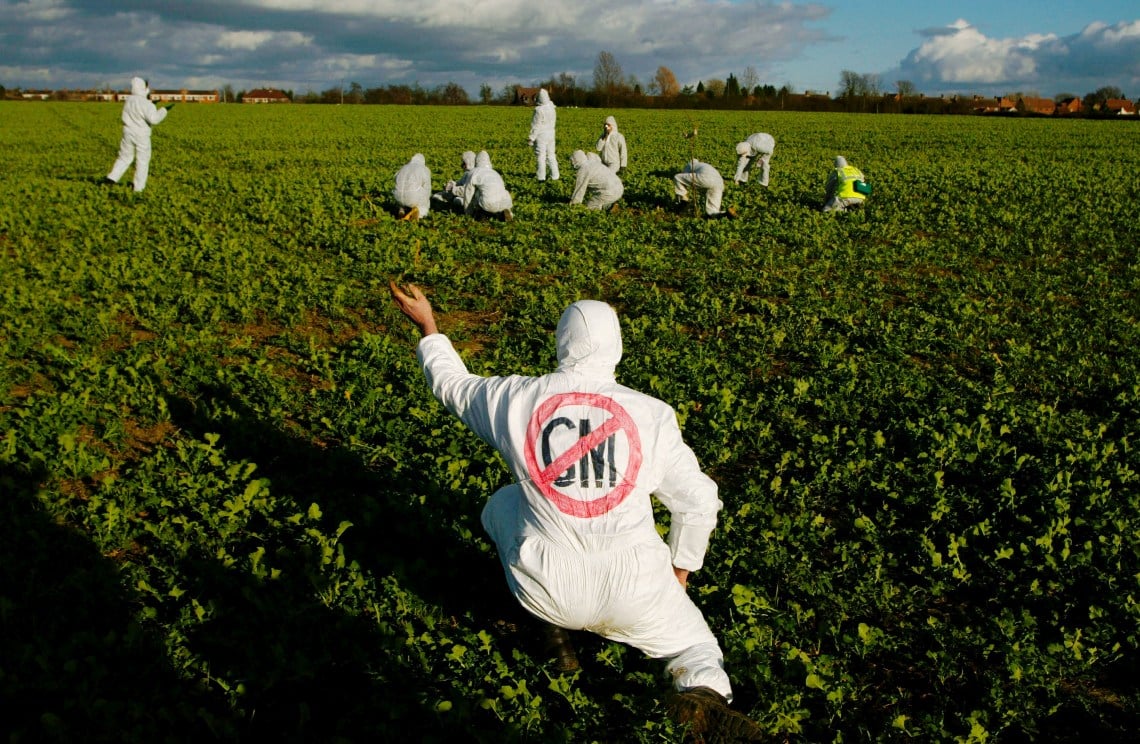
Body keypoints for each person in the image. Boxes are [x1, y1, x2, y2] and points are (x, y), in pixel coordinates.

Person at [388, 283, 764, 741]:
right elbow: (699, 501)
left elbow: (453, 386)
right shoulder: (652, 413)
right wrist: (679, 573)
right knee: (697, 646)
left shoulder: (516, 398)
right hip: (638, 589)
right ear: (618, 346)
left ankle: (553, 633)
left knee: (502, 505)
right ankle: (703, 694)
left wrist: (429, 326)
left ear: (561, 341)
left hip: (548, 582)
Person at [103, 77, 171, 192]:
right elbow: (154, 119)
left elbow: (138, 107)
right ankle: (138, 188)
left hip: (127, 132)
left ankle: (111, 178)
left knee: (125, 157)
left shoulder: (129, 100)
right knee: (142, 160)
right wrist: (164, 110)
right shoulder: (146, 104)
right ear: (144, 88)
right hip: (141, 134)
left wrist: (151, 104)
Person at [461, 151, 514, 221]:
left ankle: (482, 215)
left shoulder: (474, 172)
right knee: (497, 193)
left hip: (488, 203)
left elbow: (468, 193)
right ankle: (503, 213)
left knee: (477, 192)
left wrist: (468, 213)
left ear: (476, 161)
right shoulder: (495, 172)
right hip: (505, 201)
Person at [527, 88, 560, 182]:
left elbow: (536, 125)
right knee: (551, 155)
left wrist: (531, 138)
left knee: (541, 156)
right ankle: (555, 175)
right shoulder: (552, 107)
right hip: (551, 134)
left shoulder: (538, 110)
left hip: (541, 136)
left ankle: (541, 177)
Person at [393, 153, 432, 221]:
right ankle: (419, 213)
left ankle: (402, 210)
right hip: (412, 197)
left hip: (397, 197)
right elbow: (427, 187)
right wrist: (426, 199)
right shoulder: (424, 168)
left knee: (401, 189)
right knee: (424, 199)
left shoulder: (404, 167)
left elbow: (395, 179)